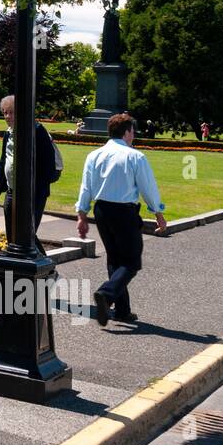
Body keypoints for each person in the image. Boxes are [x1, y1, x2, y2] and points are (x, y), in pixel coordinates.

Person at [75, 113, 167, 328]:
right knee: (132, 261)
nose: (133, 135)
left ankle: (122, 311)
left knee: (115, 259)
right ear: (126, 132)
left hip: (101, 210)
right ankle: (106, 295)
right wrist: (158, 213)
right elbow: (148, 188)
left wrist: (82, 214)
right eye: (132, 131)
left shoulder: (94, 155)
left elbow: (86, 186)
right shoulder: (135, 156)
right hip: (124, 211)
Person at [0, 94, 62, 257]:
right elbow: (3, 163)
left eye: (11, 112)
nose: (7, 116)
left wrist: (31, 189)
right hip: (12, 192)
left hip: (33, 194)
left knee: (27, 235)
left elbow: (48, 166)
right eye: (5, 112)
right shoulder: (8, 134)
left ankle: (46, 268)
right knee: (12, 236)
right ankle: (21, 270)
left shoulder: (37, 131)